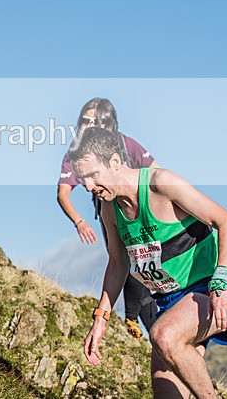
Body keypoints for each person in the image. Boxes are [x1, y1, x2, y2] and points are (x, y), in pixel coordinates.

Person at [68, 127, 227, 398]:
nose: (89, 187)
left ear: (115, 162)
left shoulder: (161, 184)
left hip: (210, 289)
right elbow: (118, 263)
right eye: (82, 180)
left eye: (93, 175)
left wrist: (222, 285)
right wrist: (101, 318)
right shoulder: (109, 210)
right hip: (169, 301)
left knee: (164, 336)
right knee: (166, 391)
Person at [57, 97, 159, 338]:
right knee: (125, 260)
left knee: (147, 263)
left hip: (143, 212)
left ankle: (152, 327)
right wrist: (79, 221)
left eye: (98, 120)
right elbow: (63, 193)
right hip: (110, 214)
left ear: (110, 122)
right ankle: (137, 322)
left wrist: (157, 200)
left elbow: (157, 172)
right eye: (85, 120)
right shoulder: (76, 152)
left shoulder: (127, 144)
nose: (91, 125)